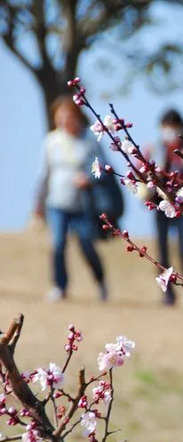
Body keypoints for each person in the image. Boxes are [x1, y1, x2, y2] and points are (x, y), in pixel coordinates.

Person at [35, 96, 110, 302]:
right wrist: (39, 203)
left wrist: (89, 179)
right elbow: (44, 174)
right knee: (58, 244)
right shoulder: (51, 141)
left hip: (82, 204)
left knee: (86, 244)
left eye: (68, 115)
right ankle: (60, 286)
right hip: (56, 202)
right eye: (60, 116)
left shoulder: (89, 141)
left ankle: (100, 281)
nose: (64, 120)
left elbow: (103, 170)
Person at [145, 109, 183, 306]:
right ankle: (168, 292)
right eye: (166, 126)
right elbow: (143, 174)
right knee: (162, 251)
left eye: (173, 126)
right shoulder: (156, 149)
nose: (169, 131)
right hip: (160, 204)